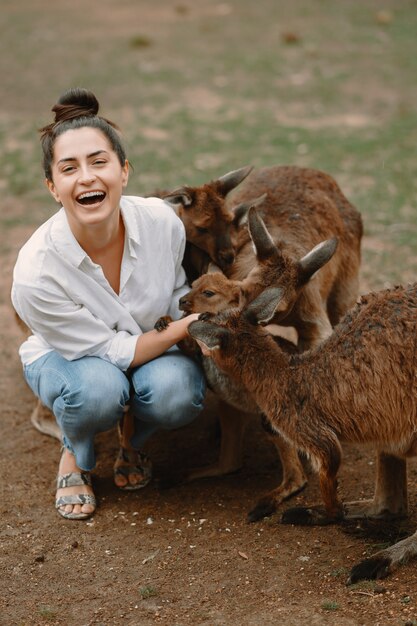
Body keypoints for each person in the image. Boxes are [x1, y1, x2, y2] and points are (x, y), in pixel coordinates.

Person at [11, 87, 206, 521]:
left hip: (147, 342)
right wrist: (190, 325)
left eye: (99, 162)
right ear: (52, 188)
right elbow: (112, 353)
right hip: (72, 359)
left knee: (179, 395)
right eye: (69, 169)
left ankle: (132, 439)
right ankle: (76, 451)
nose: (87, 178)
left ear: (124, 171)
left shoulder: (162, 222)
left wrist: (188, 316)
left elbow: (175, 296)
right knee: (99, 390)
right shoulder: (36, 272)